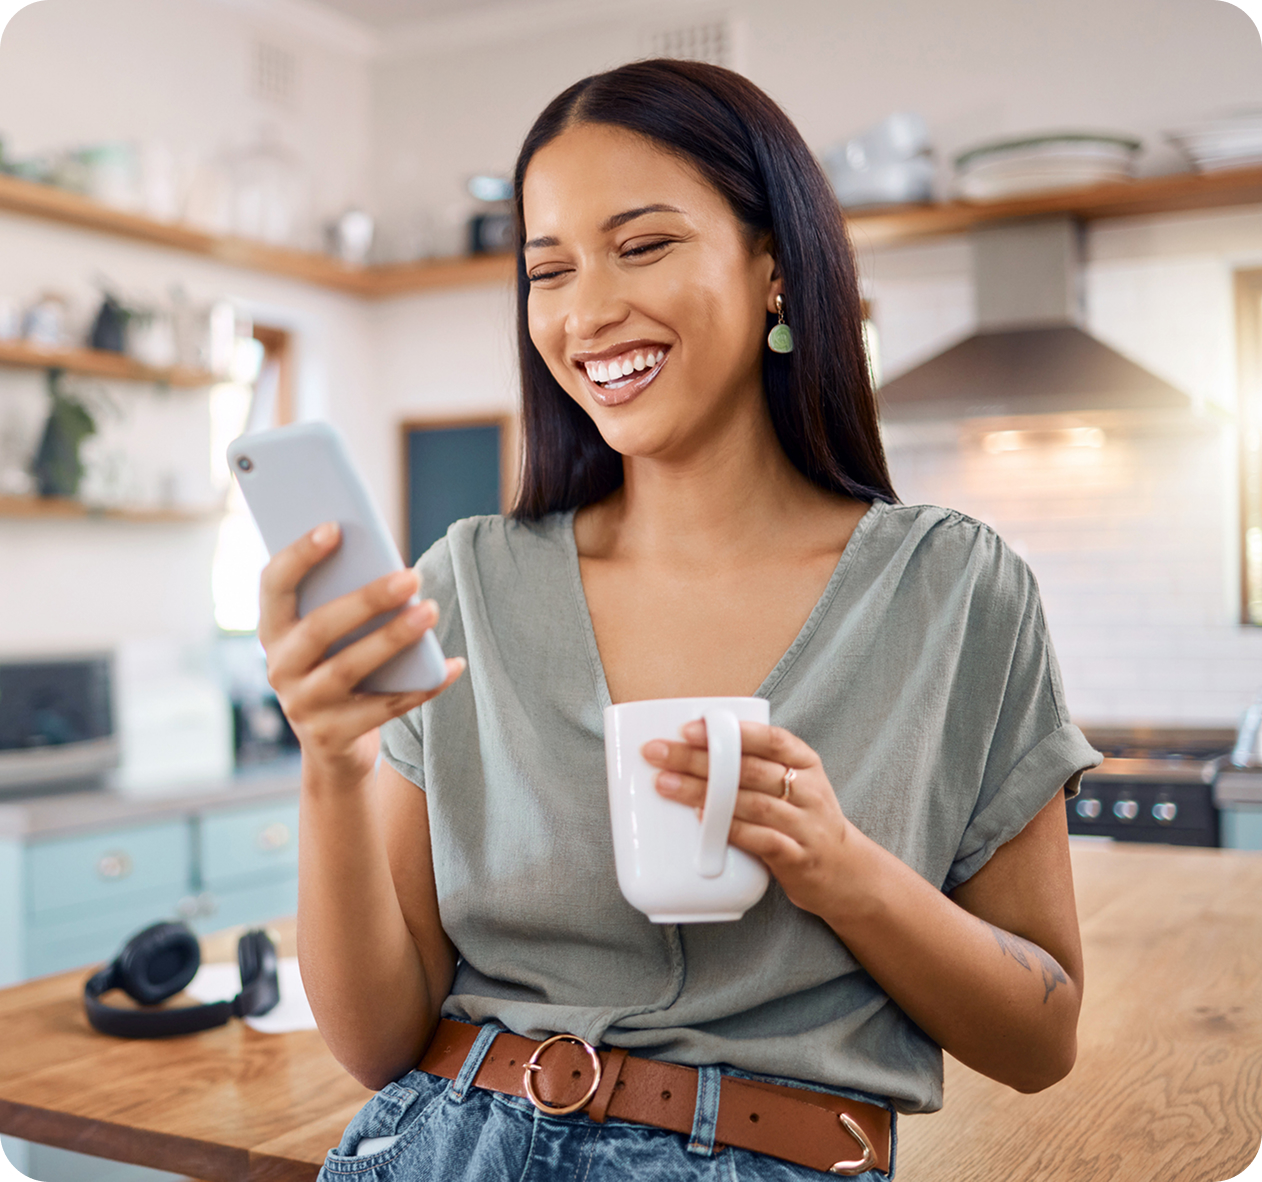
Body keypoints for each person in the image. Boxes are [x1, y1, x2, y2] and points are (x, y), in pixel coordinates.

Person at [259, 59, 1100, 1181]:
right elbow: (373, 1045)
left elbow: (1039, 1040)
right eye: (546, 268)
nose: (588, 310)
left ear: (771, 268)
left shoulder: (955, 592)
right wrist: (330, 763)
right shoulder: (466, 584)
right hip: (447, 1145)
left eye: (642, 245)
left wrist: (841, 868)